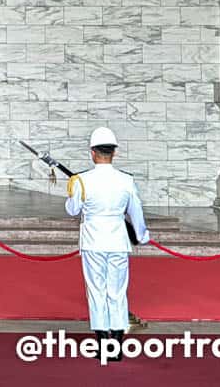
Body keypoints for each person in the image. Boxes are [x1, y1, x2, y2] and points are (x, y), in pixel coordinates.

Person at [65, 126, 150, 361]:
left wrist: (72, 190)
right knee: (117, 291)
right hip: (117, 240)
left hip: (93, 240)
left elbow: (73, 210)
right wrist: (142, 235)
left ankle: (103, 344)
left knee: (97, 291)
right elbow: (136, 212)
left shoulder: (82, 180)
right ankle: (117, 345)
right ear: (115, 152)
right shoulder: (126, 180)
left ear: (92, 153)